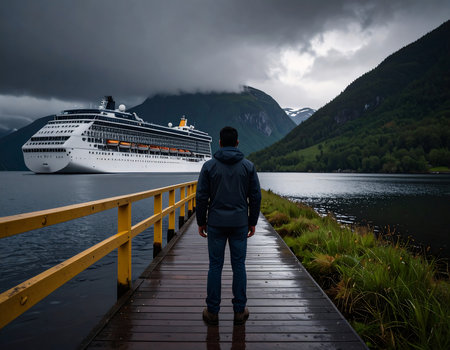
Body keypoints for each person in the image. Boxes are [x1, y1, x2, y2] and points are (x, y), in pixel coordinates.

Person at [196, 126, 261, 326]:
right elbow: (255, 196)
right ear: (238, 143)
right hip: (240, 223)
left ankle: (213, 312)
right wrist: (252, 221)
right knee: (239, 266)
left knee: (215, 266)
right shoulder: (248, 167)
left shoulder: (208, 167)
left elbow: (201, 197)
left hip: (215, 222)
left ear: (220, 143)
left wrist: (201, 221)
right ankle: (239, 311)